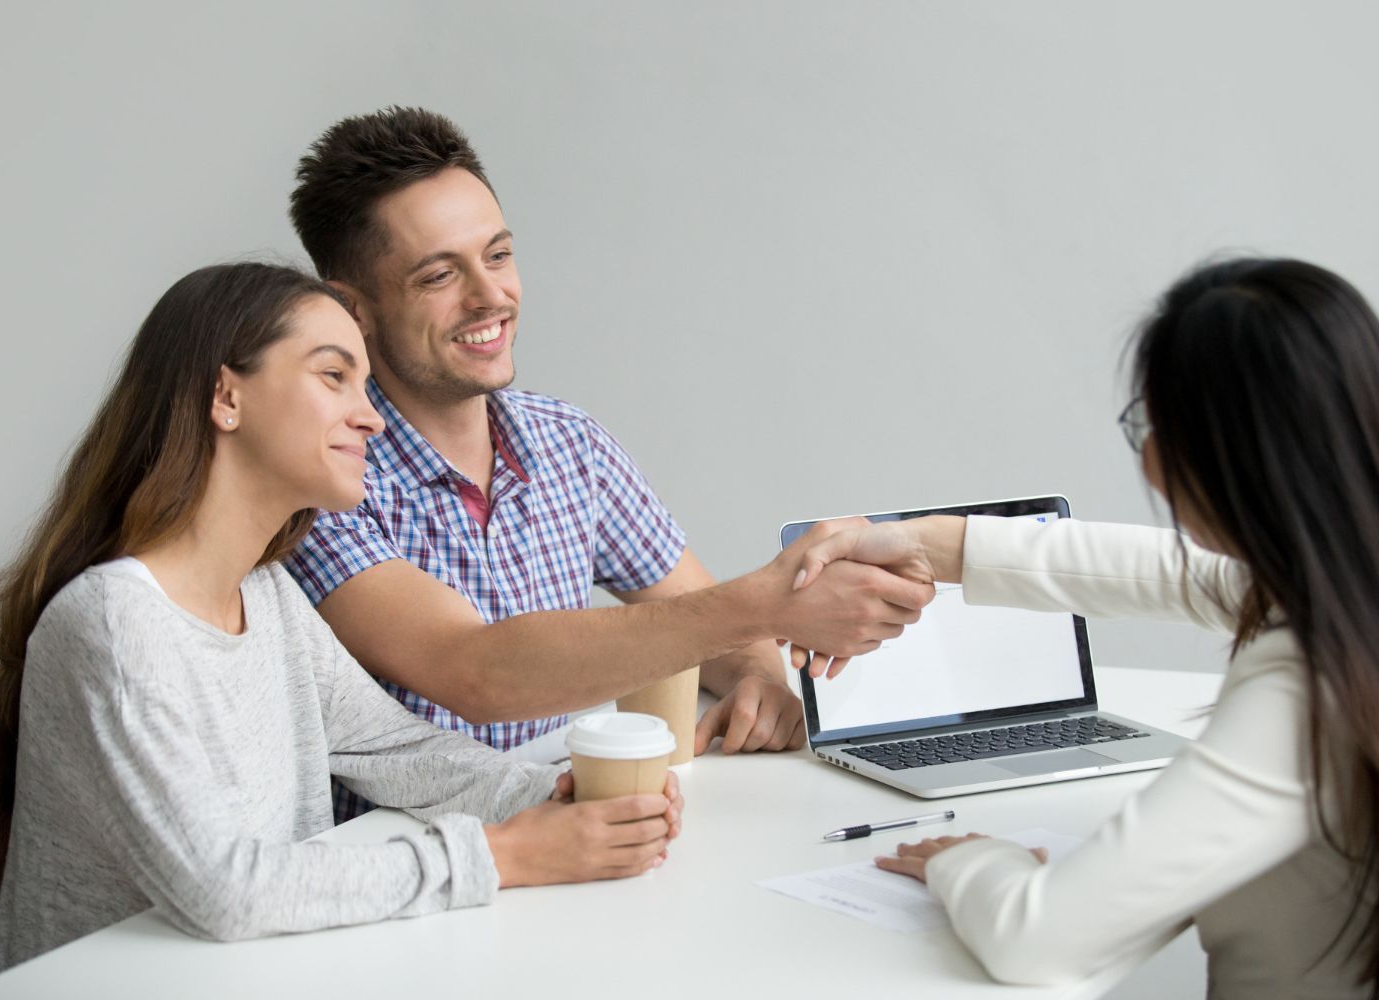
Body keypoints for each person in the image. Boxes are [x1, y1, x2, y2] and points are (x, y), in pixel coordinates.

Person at [788, 259, 1379, 998]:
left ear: (1212, 460)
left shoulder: (1308, 694)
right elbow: (1158, 568)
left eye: (1149, 426)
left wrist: (965, 861)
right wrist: (916, 542)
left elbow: (1038, 937)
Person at [0, 263, 685, 973]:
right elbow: (223, 888)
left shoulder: (267, 596)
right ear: (226, 396)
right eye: (333, 376)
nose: (371, 415)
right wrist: (502, 855)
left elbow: (396, 751)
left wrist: (553, 795)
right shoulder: (113, 621)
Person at [283, 107, 934, 819]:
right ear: (353, 308)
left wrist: (757, 676)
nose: (490, 295)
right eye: (440, 275)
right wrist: (771, 601)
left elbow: (704, 622)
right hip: (410, 870)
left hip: (566, 828)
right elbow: (474, 670)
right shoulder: (321, 479)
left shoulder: (570, 444)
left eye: (498, 255)